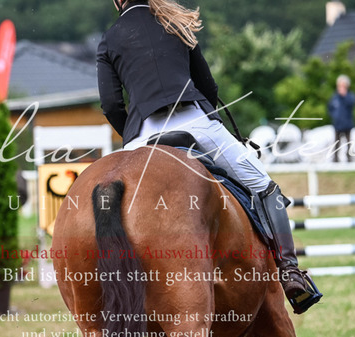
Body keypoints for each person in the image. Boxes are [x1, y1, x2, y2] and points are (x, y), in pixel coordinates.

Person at [96, 0, 321, 313]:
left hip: (143, 134)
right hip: (196, 123)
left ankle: (108, 290)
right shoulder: (175, 21)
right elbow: (208, 86)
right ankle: (291, 274)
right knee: (265, 187)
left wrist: (133, 135)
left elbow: (111, 105)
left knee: (111, 205)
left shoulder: (109, 39)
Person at [328, 75, 355, 162]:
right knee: (336, 144)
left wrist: (344, 95)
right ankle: (335, 161)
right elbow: (330, 108)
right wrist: (334, 116)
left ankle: (350, 160)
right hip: (337, 124)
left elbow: (352, 103)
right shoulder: (335, 97)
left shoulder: (350, 96)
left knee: (349, 144)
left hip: (347, 124)